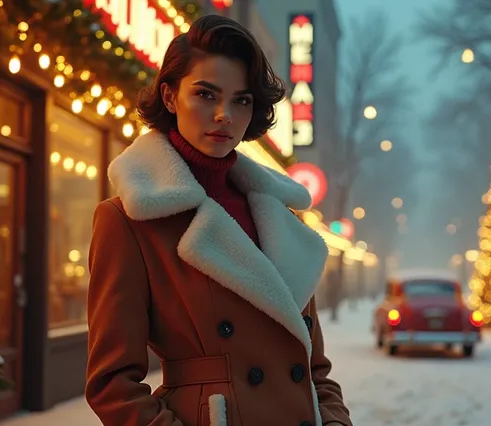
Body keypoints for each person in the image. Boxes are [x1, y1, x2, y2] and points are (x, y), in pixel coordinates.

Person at [85, 15, 352, 426]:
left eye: (241, 100)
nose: (225, 114)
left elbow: (314, 368)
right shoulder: (131, 220)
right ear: (171, 97)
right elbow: (112, 384)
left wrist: (334, 421)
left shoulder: (280, 217)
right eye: (206, 95)